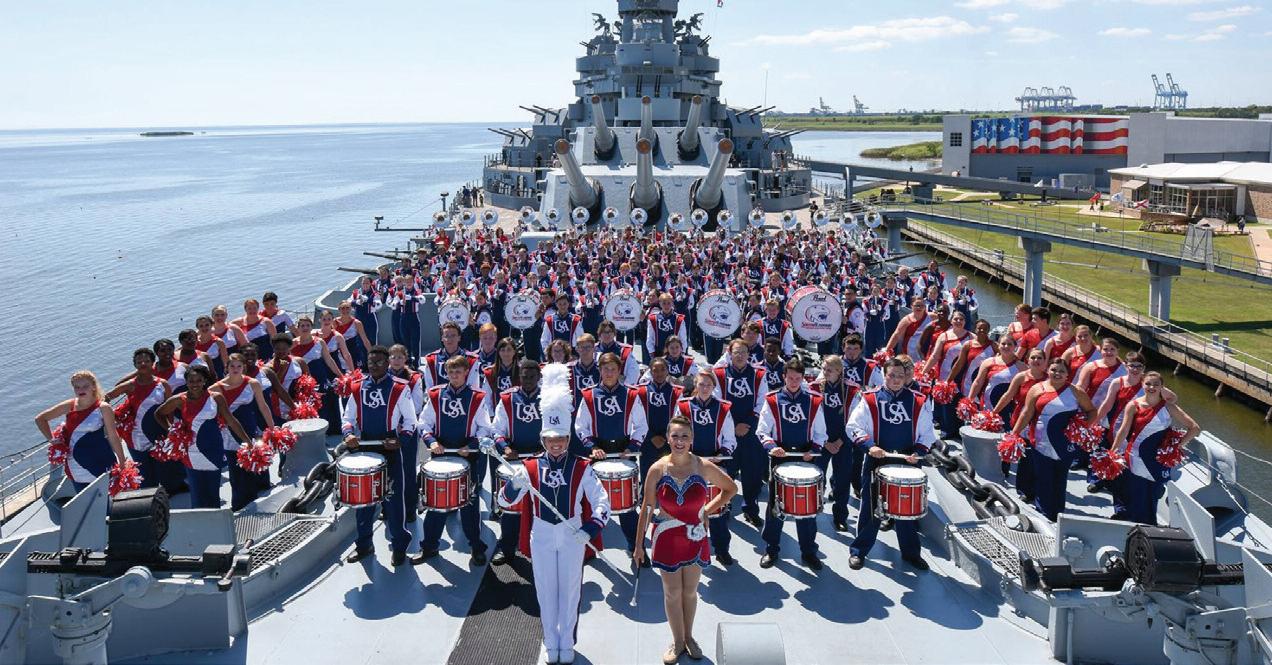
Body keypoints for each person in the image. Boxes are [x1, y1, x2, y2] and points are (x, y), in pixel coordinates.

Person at [497, 424, 609, 665]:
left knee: (570, 589)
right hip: (542, 533)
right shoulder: (529, 467)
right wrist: (513, 485)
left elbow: (602, 501)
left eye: (561, 438)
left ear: (568, 439)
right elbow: (503, 501)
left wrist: (590, 528)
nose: (556, 444)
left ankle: (566, 642)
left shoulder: (582, 466)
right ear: (543, 440)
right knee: (545, 589)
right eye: (550, 439)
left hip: (572, 532)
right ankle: (550, 641)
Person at [633, 416, 737, 664]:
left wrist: (706, 511)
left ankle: (689, 637)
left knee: (690, 592)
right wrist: (638, 546)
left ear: (692, 439)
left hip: (694, 536)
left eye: (684, 436)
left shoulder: (703, 466)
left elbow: (730, 489)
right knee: (672, 592)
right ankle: (677, 640)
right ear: (668, 439)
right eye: (675, 436)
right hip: (666, 537)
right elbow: (647, 508)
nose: (679, 441)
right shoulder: (657, 469)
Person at [846, 356, 938, 571]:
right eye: (891, 375)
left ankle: (911, 553)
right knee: (870, 509)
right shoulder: (869, 398)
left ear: (906, 377)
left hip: (908, 462)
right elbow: (853, 426)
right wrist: (869, 446)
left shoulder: (919, 400)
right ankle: (859, 551)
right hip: (877, 459)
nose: (896, 380)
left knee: (907, 510)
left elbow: (927, 433)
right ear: (884, 375)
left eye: (900, 376)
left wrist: (918, 451)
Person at [341, 346, 420, 566]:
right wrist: (348, 434)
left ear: (387, 364)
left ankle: (399, 546)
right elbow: (348, 418)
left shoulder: (399, 388)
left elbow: (411, 421)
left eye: (378, 362)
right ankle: (364, 545)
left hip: (390, 448)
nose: (373, 366)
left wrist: (400, 441)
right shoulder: (357, 387)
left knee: (394, 501)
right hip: (366, 449)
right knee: (364, 501)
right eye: (370, 362)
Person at [416, 354, 493, 566]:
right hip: (441, 456)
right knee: (436, 504)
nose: (454, 376)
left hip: (467, 457)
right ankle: (429, 546)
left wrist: (472, 445)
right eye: (451, 372)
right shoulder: (435, 394)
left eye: (458, 372)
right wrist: (431, 442)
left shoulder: (477, 397)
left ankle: (476, 546)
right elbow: (424, 424)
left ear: (466, 372)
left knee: (470, 506)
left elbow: (485, 428)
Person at [574, 352, 649, 560]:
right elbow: (580, 426)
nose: (609, 373)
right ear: (599, 370)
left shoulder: (631, 394)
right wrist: (592, 446)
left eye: (613, 369)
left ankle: (637, 549)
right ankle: (588, 549)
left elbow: (641, 425)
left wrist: (632, 447)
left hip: (624, 452)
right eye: (605, 369)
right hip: (598, 452)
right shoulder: (589, 395)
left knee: (627, 507)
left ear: (619, 371)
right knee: (590, 504)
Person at [756, 358, 828, 569]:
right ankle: (771, 549)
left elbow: (821, 432)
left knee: (806, 507)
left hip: (806, 457)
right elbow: (762, 430)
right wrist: (772, 447)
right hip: (781, 456)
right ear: (783, 377)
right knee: (775, 506)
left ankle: (808, 551)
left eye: (798, 378)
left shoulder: (814, 400)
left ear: (803, 378)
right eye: (790, 378)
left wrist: (813, 450)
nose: (794, 382)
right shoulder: (772, 400)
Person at [1009, 358, 1097, 521]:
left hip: (1065, 444)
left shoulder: (1076, 391)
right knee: (1043, 478)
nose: (1057, 373)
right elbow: (1026, 413)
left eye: (1062, 371)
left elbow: (1092, 411)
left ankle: (1058, 514)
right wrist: (1014, 434)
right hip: (1040, 442)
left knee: (1060, 478)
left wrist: (1082, 429)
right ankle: (1044, 514)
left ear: (1068, 374)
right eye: (1054, 370)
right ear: (1048, 370)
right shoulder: (1037, 389)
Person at [1109, 372, 1200, 525]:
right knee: (1134, 494)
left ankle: (1148, 527)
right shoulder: (1133, 405)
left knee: (1152, 495)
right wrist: (1112, 452)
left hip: (1156, 461)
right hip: (1134, 457)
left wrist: (1176, 447)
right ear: (1142, 384)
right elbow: (1124, 430)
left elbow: (1194, 428)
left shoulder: (1169, 407)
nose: (1151, 387)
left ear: (1162, 387)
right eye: (1148, 384)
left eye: (1156, 384)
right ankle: (1132, 525)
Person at [155, 365, 250, 508]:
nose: (195, 384)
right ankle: (199, 518)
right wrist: (172, 431)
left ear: (205, 381)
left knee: (212, 491)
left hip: (213, 449)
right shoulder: (179, 399)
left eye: (199, 380)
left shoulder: (216, 398)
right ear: (186, 382)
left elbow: (231, 421)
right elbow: (159, 414)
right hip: (191, 452)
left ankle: (216, 518)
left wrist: (247, 441)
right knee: (197, 492)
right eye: (191, 381)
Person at [675, 371, 738, 564]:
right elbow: (676, 435)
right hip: (689, 464)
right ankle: (688, 548)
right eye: (701, 384)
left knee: (717, 511)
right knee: (687, 510)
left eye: (708, 385)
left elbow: (730, 439)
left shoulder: (723, 408)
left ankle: (721, 549)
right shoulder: (683, 406)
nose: (704, 388)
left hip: (714, 465)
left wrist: (721, 454)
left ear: (714, 387)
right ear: (695, 385)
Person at [35, 371, 129, 493]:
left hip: (101, 460)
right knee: (84, 501)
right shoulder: (70, 405)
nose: (81, 390)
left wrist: (122, 461)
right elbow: (40, 419)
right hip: (75, 465)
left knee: (107, 499)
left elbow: (113, 436)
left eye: (85, 386)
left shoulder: (103, 408)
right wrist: (53, 440)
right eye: (77, 387)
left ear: (94, 386)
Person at [489, 360, 543, 565]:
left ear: (539, 377)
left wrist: (545, 449)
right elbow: (496, 430)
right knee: (511, 508)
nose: (527, 380)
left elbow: (557, 430)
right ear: (518, 377)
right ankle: (507, 549)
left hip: (541, 461)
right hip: (515, 462)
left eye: (532, 377)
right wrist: (505, 448)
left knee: (539, 509)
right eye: (524, 376)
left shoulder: (548, 399)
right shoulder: (507, 398)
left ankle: (538, 550)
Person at [712, 339, 767, 528]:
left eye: (744, 351)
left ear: (749, 354)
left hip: (751, 431)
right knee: (727, 473)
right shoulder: (719, 374)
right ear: (730, 353)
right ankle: (724, 506)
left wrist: (747, 424)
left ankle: (751, 509)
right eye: (737, 352)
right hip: (728, 432)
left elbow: (762, 402)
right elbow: (717, 401)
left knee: (752, 474)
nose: (741, 355)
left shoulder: (759, 374)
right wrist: (733, 426)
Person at [212, 353, 276, 510]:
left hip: (250, 426)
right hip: (229, 431)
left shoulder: (253, 383)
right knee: (236, 467)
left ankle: (261, 495)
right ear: (226, 367)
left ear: (244, 367)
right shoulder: (215, 388)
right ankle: (240, 503)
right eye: (232, 366)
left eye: (239, 366)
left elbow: (263, 406)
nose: (235, 369)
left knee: (256, 460)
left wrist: (272, 428)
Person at [105, 348, 173, 491]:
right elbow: (107, 397)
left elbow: (169, 410)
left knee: (163, 471)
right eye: (139, 362)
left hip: (158, 433)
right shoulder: (130, 385)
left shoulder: (163, 384)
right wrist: (110, 417)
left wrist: (171, 430)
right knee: (145, 476)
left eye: (146, 361)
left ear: (153, 362)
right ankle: (150, 499)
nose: (143, 364)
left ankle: (164, 495)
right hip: (136, 437)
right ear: (135, 365)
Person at [993, 347, 1048, 495]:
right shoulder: (1021, 377)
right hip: (1020, 420)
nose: (1036, 360)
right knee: (1013, 450)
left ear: (1045, 361)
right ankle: (1003, 477)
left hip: (1039, 423)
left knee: (1030, 457)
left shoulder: (1050, 379)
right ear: (1027, 360)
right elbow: (1007, 396)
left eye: (1039, 358)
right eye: (1033, 357)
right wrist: (994, 412)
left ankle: (1028, 489)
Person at [810, 356, 855, 531]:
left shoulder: (851, 390)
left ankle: (840, 516)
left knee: (843, 479)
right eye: (824, 369)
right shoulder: (814, 388)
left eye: (829, 370)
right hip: (821, 441)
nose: (825, 372)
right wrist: (825, 442)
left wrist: (841, 440)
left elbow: (854, 418)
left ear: (839, 371)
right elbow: (811, 417)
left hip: (843, 441)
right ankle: (813, 510)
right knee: (816, 477)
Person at [637, 358, 684, 482]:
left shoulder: (677, 392)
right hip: (647, 441)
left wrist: (666, 436)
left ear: (668, 371)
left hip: (668, 441)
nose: (659, 373)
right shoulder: (641, 391)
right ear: (650, 372)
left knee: (669, 479)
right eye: (655, 370)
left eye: (663, 369)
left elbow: (678, 418)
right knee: (648, 479)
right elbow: (638, 419)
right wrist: (651, 436)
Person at [421, 322, 482, 390]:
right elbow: (430, 388)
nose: (450, 339)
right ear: (442, 338)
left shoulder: (471, 359)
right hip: (439, 396)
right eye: (446, 336)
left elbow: (473, 387)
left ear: (459, 338)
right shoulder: (432, 359)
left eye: (453, 335)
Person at [646, 293, 690, 358]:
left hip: (674, 352)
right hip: (658, 352)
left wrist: (683, 351)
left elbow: (683, 337)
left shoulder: (679, 319)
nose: (666, 306)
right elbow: (650, 337)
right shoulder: (653, 318)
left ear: (672, 303)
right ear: (660, 304)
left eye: (669, 303)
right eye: (664, 303)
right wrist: (651, 351)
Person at [334, 300, 374, 370]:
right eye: (342, 308)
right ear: (339, 309)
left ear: (351, 308)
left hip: (354, 351)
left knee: (357, 372)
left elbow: (365, 340)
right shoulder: (334, 322)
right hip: (340, 352)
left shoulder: (357, 323)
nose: (345, 310)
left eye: (347, 308)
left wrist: (372, 354)